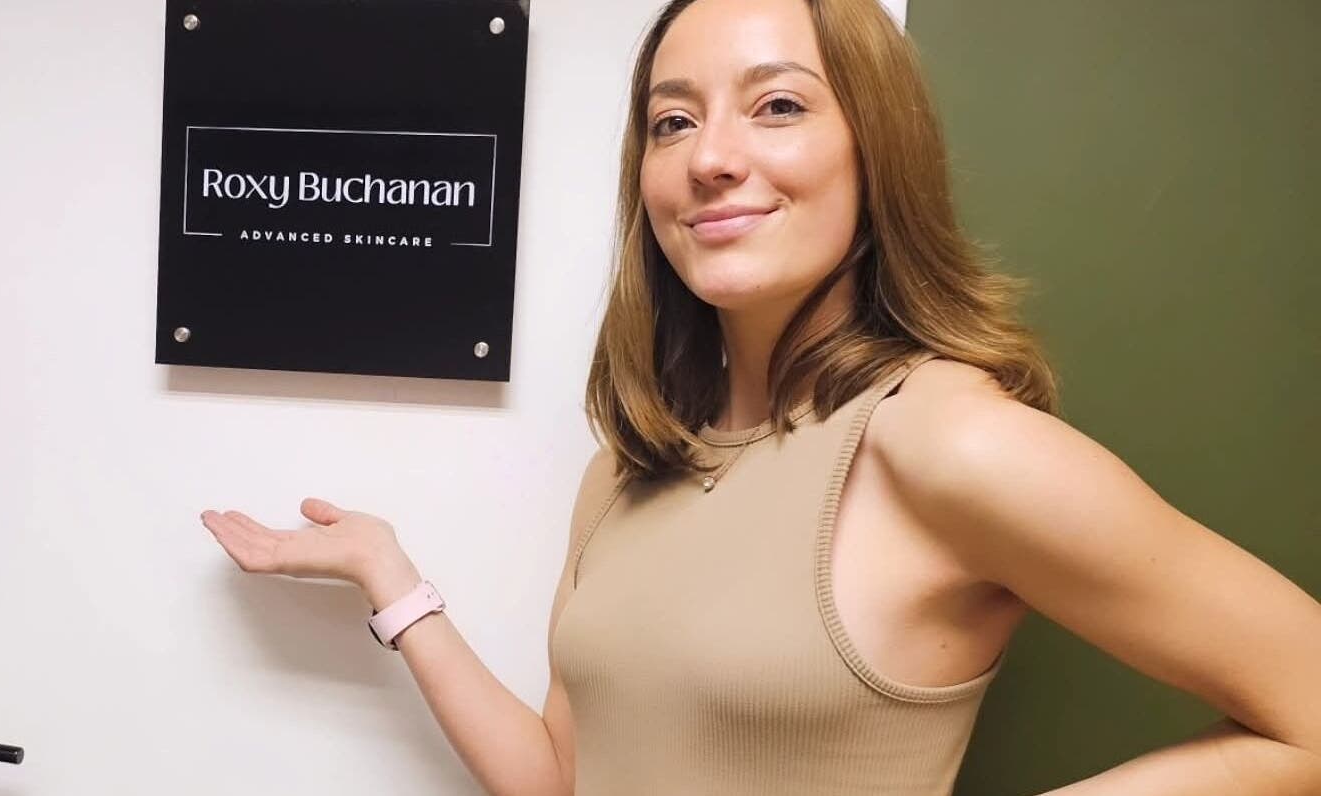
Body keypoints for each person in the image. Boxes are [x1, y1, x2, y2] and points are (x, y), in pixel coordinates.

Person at [200, 0, 1321, 793]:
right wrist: (393, 582)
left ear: (875, 149)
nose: (710, 158)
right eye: (674, 121)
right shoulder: (630, 469)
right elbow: (564, 779)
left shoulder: (942, 438)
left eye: (776, 106)